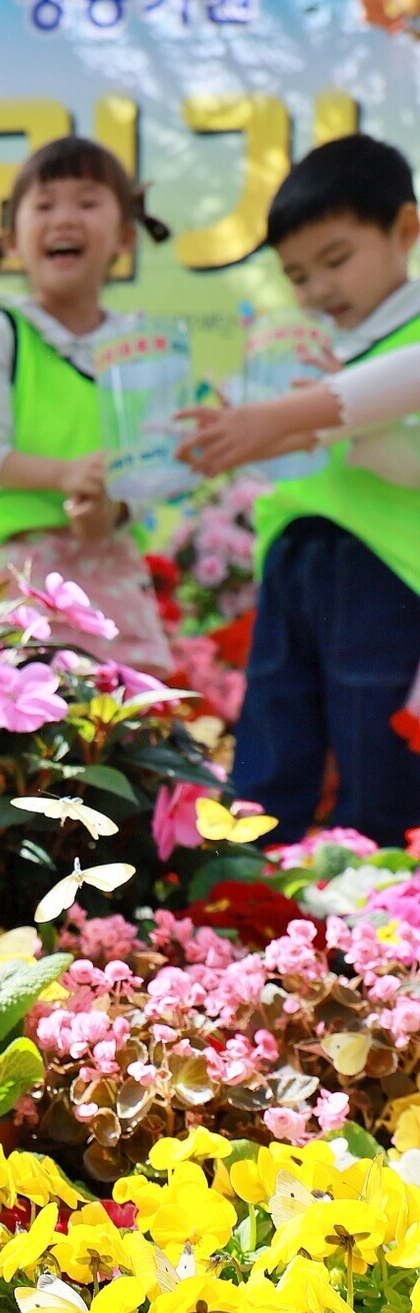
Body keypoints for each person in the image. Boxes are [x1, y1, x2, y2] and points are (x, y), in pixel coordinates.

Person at [177, 133, 420, 844]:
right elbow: (297, 429)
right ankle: (246, 880)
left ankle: (385, 907)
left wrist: (274, 422)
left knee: (375, 742)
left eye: (336, 260)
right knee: (275, 726)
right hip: (296, 557)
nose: (319, 290)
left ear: (405, 229)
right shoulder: (306, 345)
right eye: (297, 275)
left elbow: (372, 412)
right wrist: (228, 434)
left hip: (386, 570)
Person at [0, 136, 172, 673]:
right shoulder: (2, 334)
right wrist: (66, 474)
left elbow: (155, 465)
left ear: (124, 238)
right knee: (17, 721)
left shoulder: (138, 349)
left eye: (88, 202)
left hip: (110, 566)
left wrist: (114, 512)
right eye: (44, 206)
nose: (64, 218)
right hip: (12, 567)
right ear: (12, 239)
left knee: (127, 724)